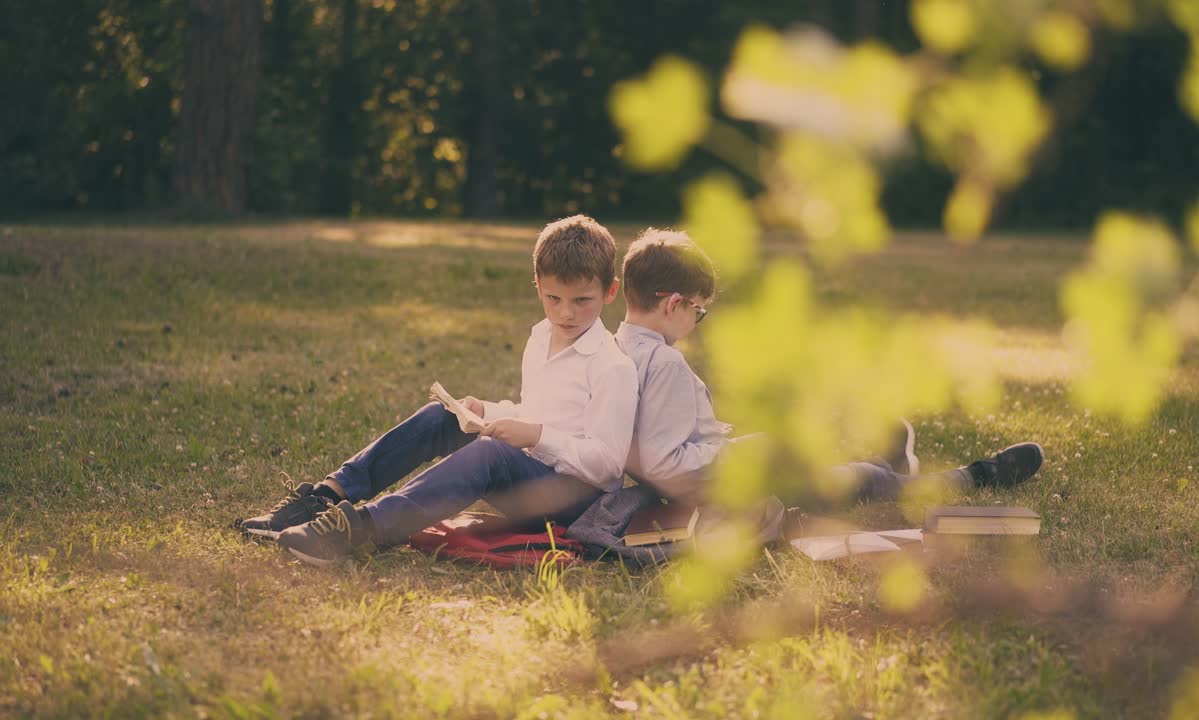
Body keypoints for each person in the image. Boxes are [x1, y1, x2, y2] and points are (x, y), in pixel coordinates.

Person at [238, 215, 640, 566]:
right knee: (443, 418)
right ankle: (324, 497)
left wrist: (535, 436)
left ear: (609, 292)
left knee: (490, 453)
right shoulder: (540, 339)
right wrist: (490, 410)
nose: (566, 312)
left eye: (582, 301)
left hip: (575, 502)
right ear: (537, 286)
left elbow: (606, 466)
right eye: (554, 298)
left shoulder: (612, 366)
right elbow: (540, 411)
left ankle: (361, 529)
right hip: (531, 472)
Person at [613, 228, 1043, 510]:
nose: (697, 322)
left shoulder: (619, 349)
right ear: (673, 304)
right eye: (699, 312)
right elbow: (665, 464)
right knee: (864, 483)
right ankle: (977, 476)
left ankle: (886, 460)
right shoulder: (664, 362)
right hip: (723, 494)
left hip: (711, 485)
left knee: (832, 464)